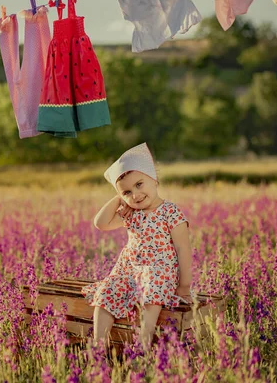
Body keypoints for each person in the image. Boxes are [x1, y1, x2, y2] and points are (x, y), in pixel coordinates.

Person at [81, 142, 193, 350]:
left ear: (155, 179)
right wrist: (118, 198)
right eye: (127, 192)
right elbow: (101, 223)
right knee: (106, 290)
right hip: (130, 271)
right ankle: (98, 345)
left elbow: (183, 248)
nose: (135, 195)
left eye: (139, 185)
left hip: (159, 271)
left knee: (151, 285)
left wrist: (184, 285)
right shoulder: (132, 214)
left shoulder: (170, 211)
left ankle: (143, 341)